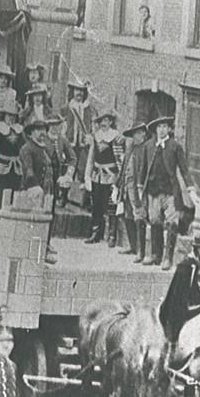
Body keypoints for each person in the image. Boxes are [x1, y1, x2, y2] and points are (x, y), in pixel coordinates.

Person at [139, 116, 195, 270]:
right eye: (159, 127)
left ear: (169, 129)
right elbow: (143, 169)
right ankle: (156, 255)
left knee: (171, 223)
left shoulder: (175, 146)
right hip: (153, 190)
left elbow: (184, 169)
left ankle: (167, 258)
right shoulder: (148, 146)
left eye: (165, 126)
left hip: (170, 191)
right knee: (155, 220)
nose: (162, 129)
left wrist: (190, 187)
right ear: (155, 129)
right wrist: (140, 187)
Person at [158, 233, 200, 348]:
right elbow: (189, 293)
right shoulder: (189, 265)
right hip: (179, 308)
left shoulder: (196, 264)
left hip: (188, 303)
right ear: (196, 249)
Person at [84, 110, 124, 245]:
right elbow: (91, 157)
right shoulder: (96, 136)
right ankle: (96, 233)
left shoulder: (116, 137)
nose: (103, 123)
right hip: (97, 176)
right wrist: (88, 176)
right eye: (101, 121)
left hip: (111, 175)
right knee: (96, 204)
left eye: (106, 120)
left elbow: (120, 158)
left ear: (111, 122)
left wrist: (119, 179)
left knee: (111, 205)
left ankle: (112, 236)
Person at [115, 122, 148, 261]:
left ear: (144, 134)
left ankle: (141, 251)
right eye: (134, 133)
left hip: (137, 187)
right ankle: (132, 246)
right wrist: (118, 184)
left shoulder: (145, 149)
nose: (136, 136)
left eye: (139, 133)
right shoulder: (130, 148)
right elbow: (123, 168)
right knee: (127, 215)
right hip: (126, 186)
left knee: (138, 216)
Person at [60, 79, 96, 203]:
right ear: (72, 91)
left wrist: (90, 137)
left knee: (83, 171)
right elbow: (62, 127)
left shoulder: (89, 109)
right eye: (77, 90)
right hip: (70, 144)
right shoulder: (66, 108)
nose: (79, 93)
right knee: (68, 170)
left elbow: (93, 126)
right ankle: (63, 197)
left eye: (81, 90)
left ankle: (82, 200)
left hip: (83, 146)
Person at [0, 103, 24, 214]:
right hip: (1, 165)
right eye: (9, 115)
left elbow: (23, 149)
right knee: (1, 190)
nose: (11, 118)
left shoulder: (19, 130)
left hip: (16, 166)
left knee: (14, 190)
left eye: (14, 115)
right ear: (4, 115)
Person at [45, 114, 76, 209]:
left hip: (56, 173)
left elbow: (72, 158)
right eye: (51, 125)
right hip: (44, 174)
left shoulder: (62, 140)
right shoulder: (43, 138)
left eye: (57, 124)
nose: (54, 127)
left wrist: (68, 174)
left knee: (53, 201)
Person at [19, 120, 54, 199]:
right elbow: (28, 169)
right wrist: (34, 185)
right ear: (31, 134)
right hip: (31, 190)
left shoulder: (47, 148)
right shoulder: (27, 148)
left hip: (47, 190)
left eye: (43, 130)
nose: (42, 132)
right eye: (38, 130)